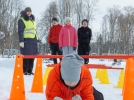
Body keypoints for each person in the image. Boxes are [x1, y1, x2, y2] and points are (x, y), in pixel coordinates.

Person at [18, 7, 38, 75]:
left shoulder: (32, 20)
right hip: (26, 40)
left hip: (33, 40)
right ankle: (25, 70)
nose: (29, 12)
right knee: (26, 55)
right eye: (27, 11)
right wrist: (21, 41)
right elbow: (20, 31)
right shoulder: (22, 20)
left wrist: (37, 39)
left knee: (32, 56)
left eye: (30, 11)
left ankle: (30, 70)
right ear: (25, 12)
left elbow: (34, 31)